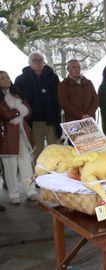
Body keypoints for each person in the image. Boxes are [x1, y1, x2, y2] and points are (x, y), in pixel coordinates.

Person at [14, 52, 61, 161]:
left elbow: (58, 96)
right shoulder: (21, 79)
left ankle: (56, 172)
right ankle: (38, 174)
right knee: (37, 149)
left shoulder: (53, 77)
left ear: (44, 62)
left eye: (40, 60)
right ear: (29, 63)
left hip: (51, 118)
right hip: (33, 120)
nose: (38, 62)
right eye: (35, 60)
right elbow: (18, 100)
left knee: (54, 148)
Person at [0, 71, 36, 204]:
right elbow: (5, 115)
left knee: (26, 163)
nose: (6, 80)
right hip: (7, 135)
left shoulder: (18, 93)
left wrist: (16, 111)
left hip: (22, 133)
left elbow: (29, 111)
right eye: (2, 78)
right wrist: (19, 111)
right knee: (10, 166)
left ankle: (31, 191)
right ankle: (13, 194)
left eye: (7, 77)